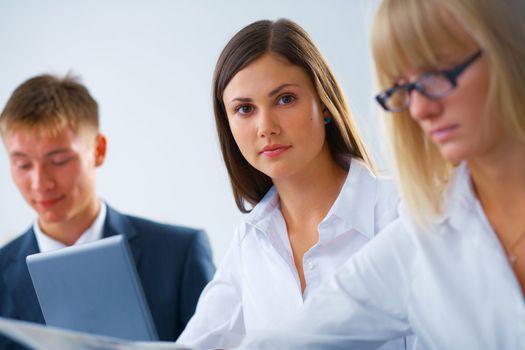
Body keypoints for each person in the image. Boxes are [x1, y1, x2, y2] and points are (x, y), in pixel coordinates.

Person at [240, 0, 525, 349]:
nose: (420, 109)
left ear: (512, 49)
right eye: (405, 87)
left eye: (439, 72)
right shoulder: (423, 238)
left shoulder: (395, 214)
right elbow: (295, 339)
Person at [177, 19, 408, 350]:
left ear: (324, 103)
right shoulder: (250, 243)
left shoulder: (401, 213)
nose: (265, 127)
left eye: (285, 99)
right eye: (244, 109)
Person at [0, 74, 215, 350]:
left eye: (59, 160)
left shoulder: (178, 255)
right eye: (23, 165)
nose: (41, 183)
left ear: (98, 150)